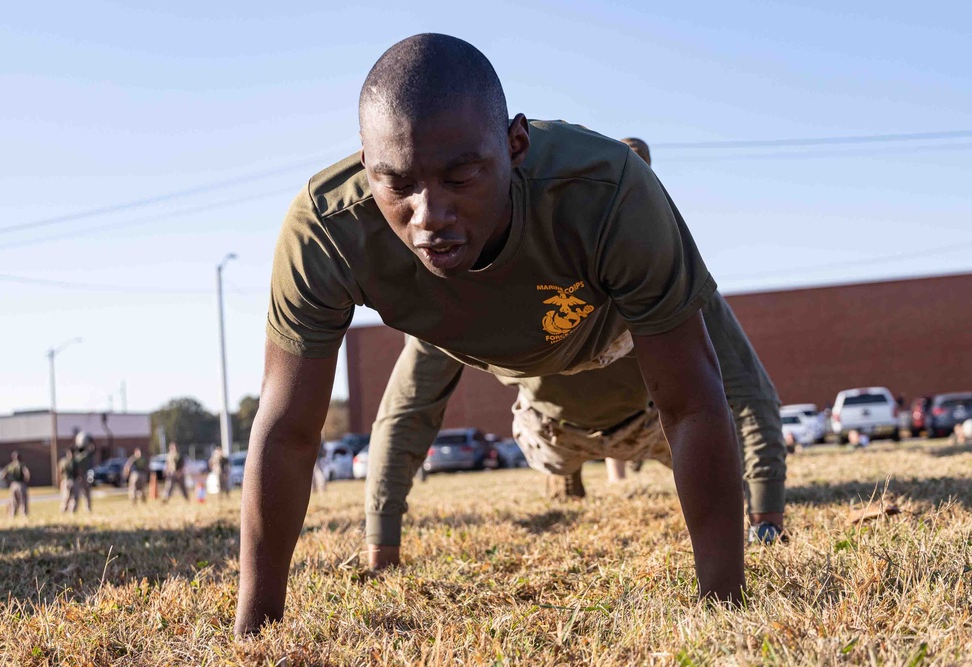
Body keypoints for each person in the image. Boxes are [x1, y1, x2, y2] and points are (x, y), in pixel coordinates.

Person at [236, 34, 746, 635]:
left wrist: (723, 611)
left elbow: (693, 403)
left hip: (610, 335)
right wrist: (256, 630)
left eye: (461, 177)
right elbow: (291, 431)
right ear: (366, 161)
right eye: (396, 182)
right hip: (494, 358)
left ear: (516, 145)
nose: (429, 216)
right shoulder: (325, 233)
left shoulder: (609, 193)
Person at [599, 137, 788, 539]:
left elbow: (752, 396)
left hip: (653, 424)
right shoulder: (549, 251)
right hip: (558, 431)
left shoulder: (677, 275)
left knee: (697, 418)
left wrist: (765, 516)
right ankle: (566, 477)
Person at [73, 431, 96, 512]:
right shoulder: (83, 455)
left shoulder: (76, 455)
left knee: (84, 494)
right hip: (80, 476)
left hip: (81, 476)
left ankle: (86, 509)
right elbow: (92, 450)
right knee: (78, 494)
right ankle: (74, 509)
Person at [2, 451, 30, 517]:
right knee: (22, 501)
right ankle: (24, 515)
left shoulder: (10, 466)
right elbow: (27, 473)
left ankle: (12, 516)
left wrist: (8, 481)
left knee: (13, 502)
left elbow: (3, 475)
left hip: (13, 485)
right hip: (21, 484)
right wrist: (26, 480)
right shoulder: (22, 465)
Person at [58, 448, 78, 513]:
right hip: (70, 480)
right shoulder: (74, 461)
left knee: (69, 497)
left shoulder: (63, 461)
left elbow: (60, 472)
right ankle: (65, 510)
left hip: (67, 481)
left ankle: (68, 511)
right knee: (69, 497)